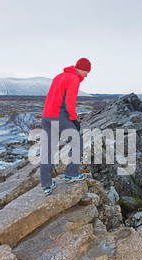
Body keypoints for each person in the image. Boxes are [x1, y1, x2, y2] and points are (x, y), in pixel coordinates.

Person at [40, 58, 91, 195]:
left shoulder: (59, 76)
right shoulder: (73, 78)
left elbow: (51, 97)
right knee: (77, 141)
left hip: (46, 116)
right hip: (58, 116)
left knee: (48, 150)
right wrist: (74, 119)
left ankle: (46, 184)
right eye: (87, 71)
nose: (87, 75)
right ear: (83, 69)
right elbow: (70, 103)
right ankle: (71, 174)